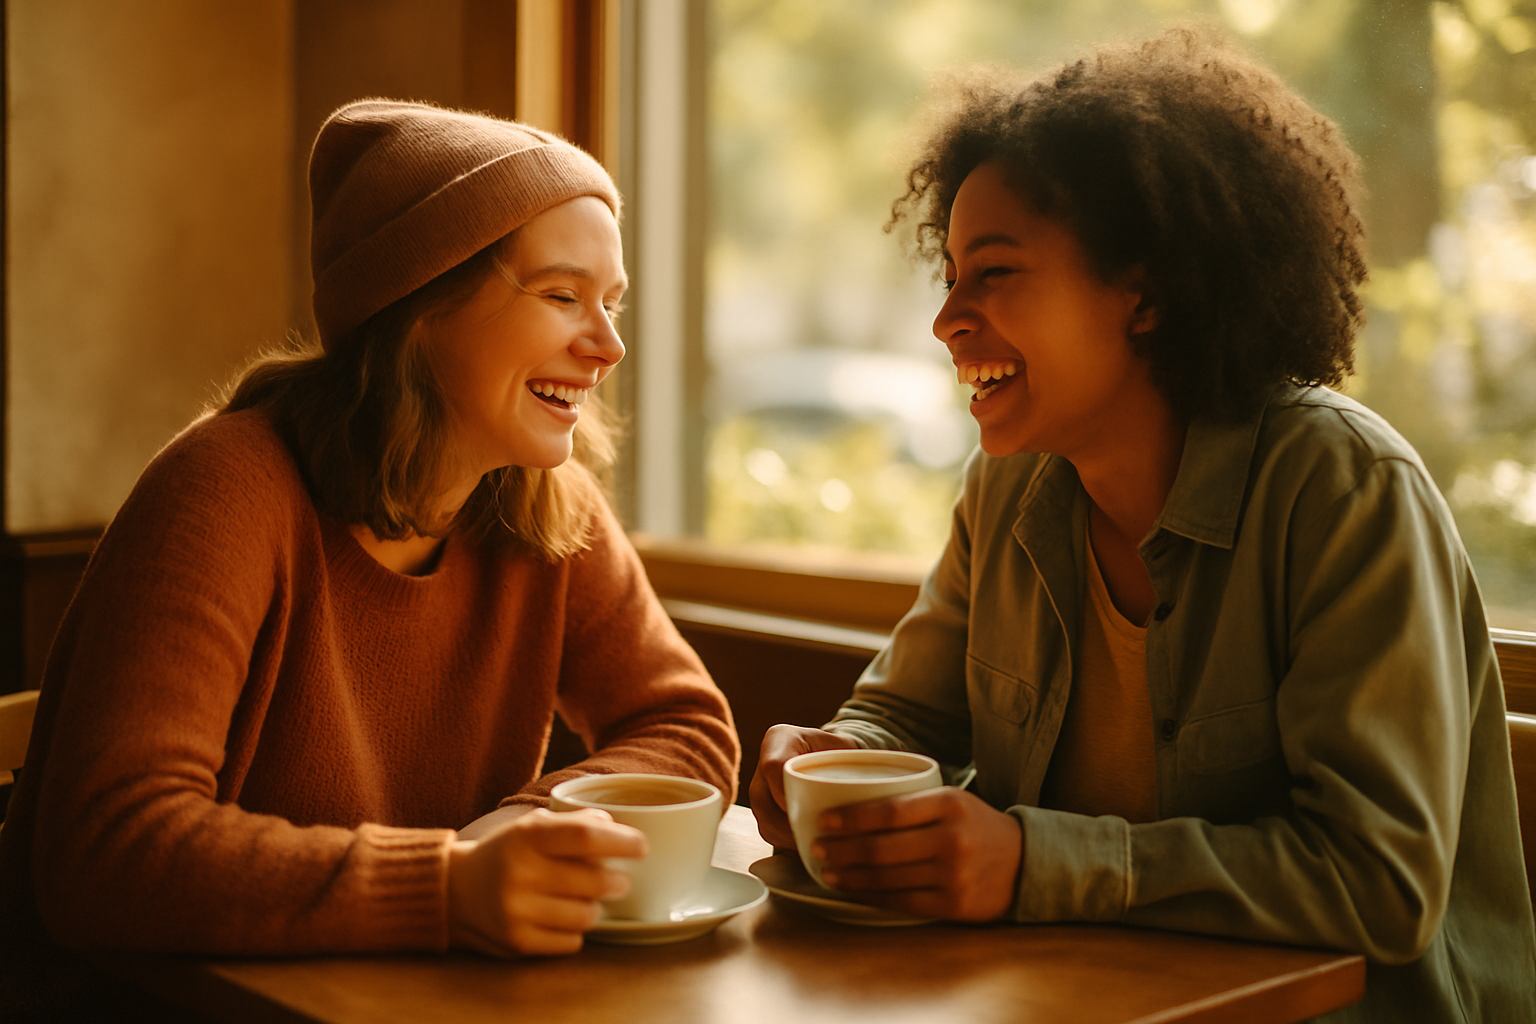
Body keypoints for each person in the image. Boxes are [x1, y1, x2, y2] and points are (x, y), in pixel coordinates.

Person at [750, 29, 1535, 1022]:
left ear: (1146, 294)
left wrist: (1037, 863)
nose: (947, 317)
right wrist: (828, 756)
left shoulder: (1344, 491)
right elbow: (905, 718)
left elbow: (1379, 881)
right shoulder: (1008, 490)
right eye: (948, 273)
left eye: (993, 272)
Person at [0, 99, 738, 1014]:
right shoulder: (223, 491)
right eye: (560, 295)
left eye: (612, 303)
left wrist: (531, 826)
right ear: (419, 305)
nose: (609, 345)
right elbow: (107, 852)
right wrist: (448, 883)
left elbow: (689, 725)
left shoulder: (543, 501)